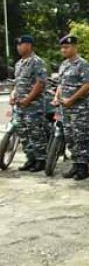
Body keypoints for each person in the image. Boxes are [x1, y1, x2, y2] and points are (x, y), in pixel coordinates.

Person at [52, 35, 89, 180]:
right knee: (70, 137)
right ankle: (75, 165)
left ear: (75, 47)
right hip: (65, 108)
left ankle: (83, 169)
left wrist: (72, 99)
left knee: (80, 137)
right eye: (62, 47)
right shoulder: (64, 65)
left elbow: (88, 84)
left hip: (79, 108)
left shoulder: (82, 64)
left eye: (67, 47)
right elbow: (60, 84)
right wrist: (56, 97)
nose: (63, 50)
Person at [10, 35, 48, 172]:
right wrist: (13, 94)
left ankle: (41, 160)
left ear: (29, 45)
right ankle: (30, 158)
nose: (19, 47)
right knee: (23, 133)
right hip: (20, 105)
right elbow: (17, 83)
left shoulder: (36, 62)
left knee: (36, 133)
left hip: (33, 106)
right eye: (18, 45)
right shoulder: (19, 64)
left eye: (22, 44)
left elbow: (40, 83)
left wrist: (28, 99)